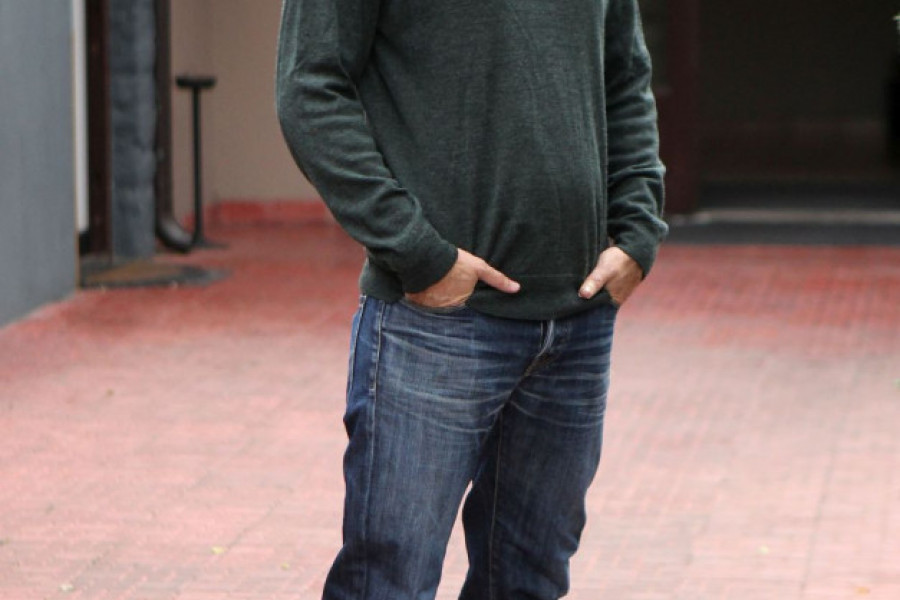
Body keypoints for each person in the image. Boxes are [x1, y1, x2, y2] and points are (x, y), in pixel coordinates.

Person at [276, 1, 667, 598]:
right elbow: (309, 87)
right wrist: (415, 251)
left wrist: (637, 229)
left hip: (578, 324)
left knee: (528, 582)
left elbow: (625, 75)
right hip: (436, 322)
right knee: (389, 583)